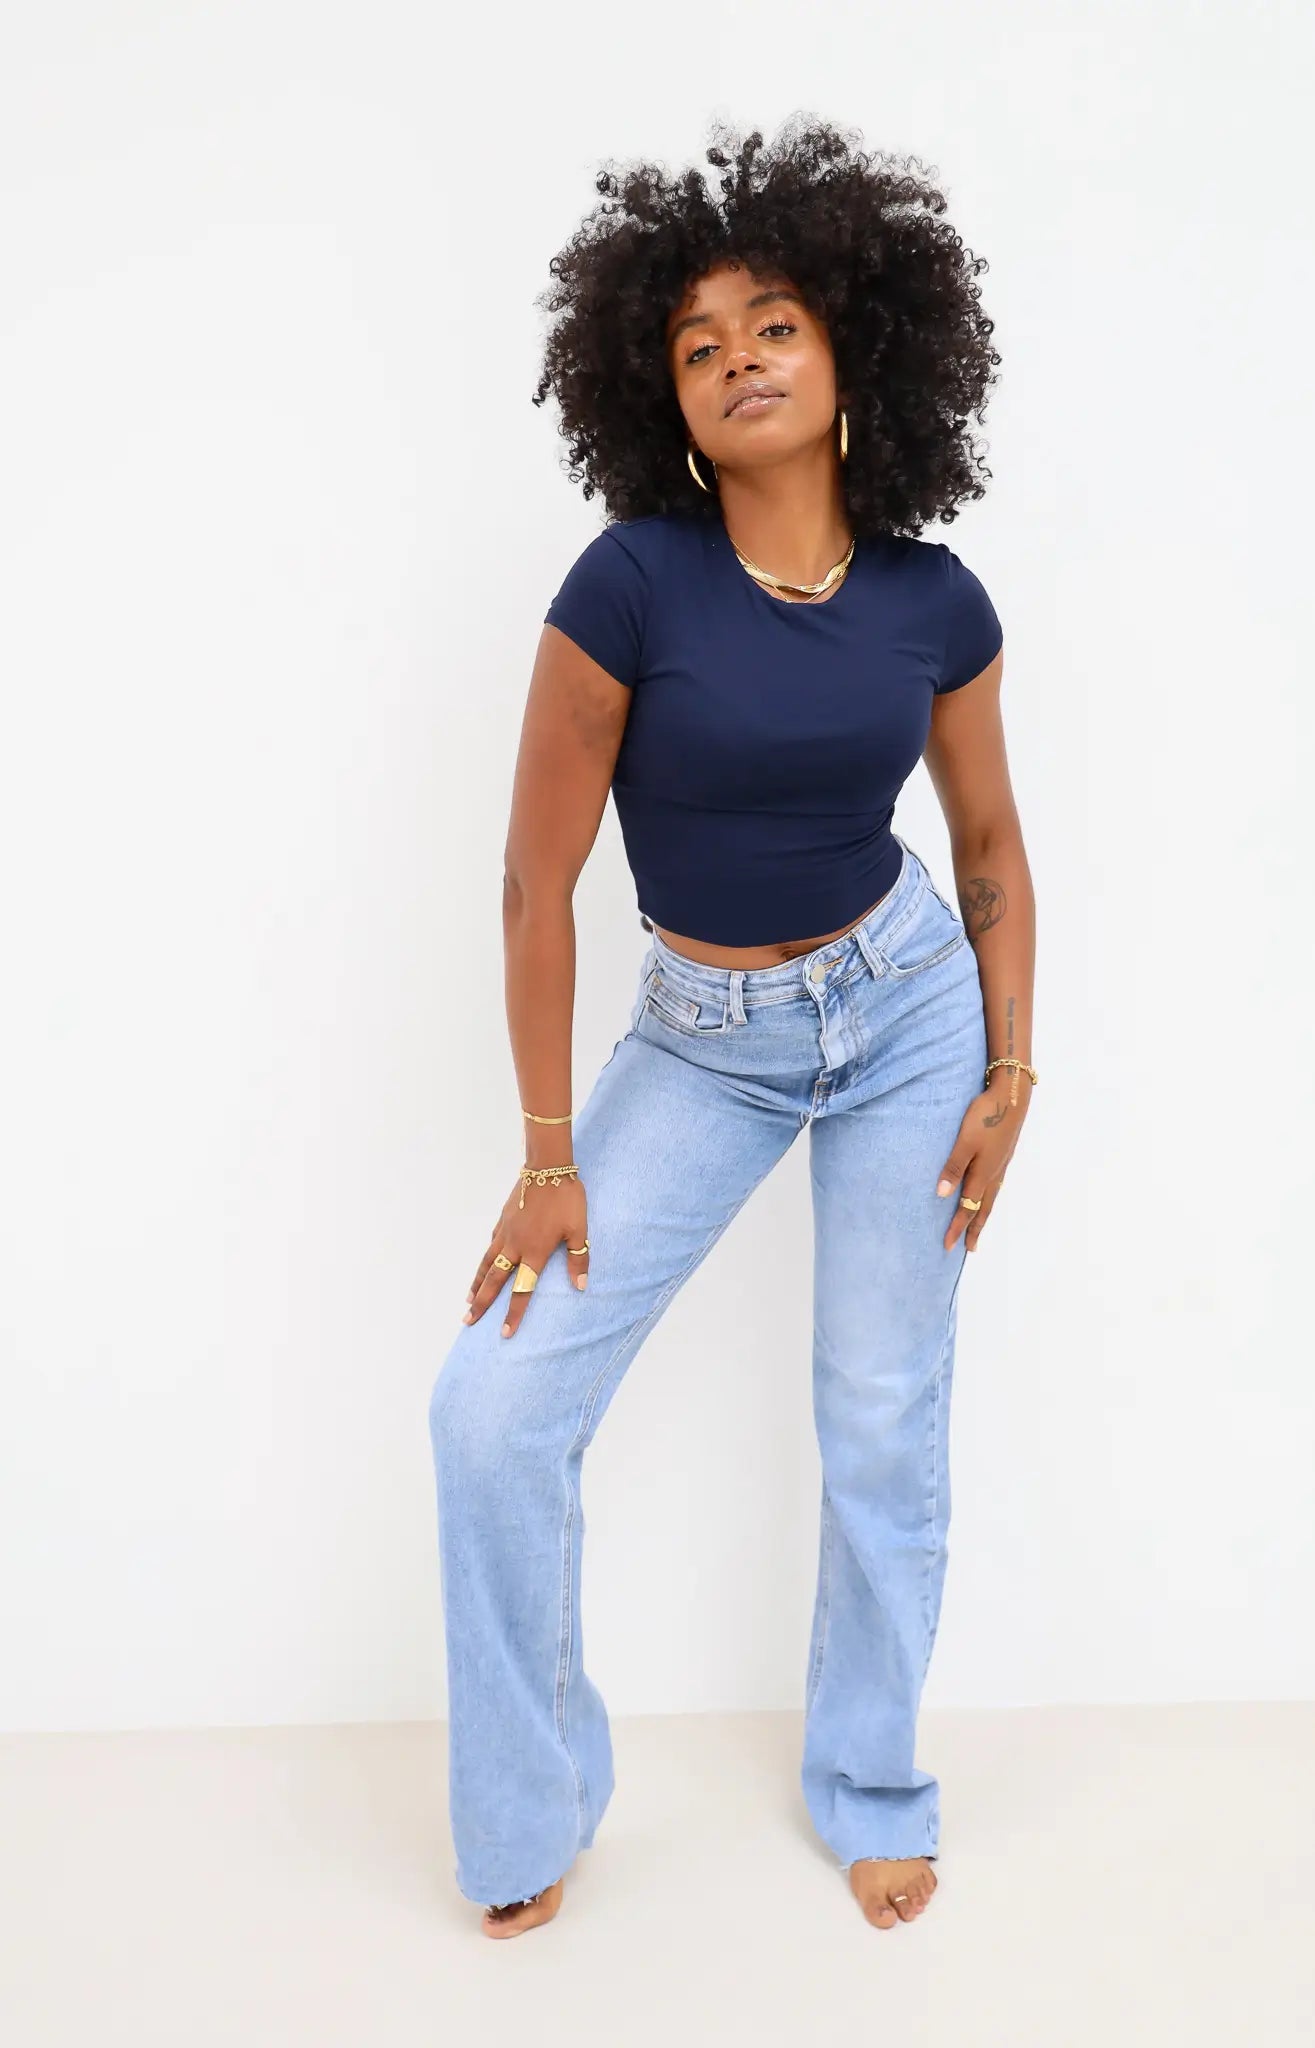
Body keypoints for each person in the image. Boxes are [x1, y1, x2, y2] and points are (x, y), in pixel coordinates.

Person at [428, 115, 1037, 1941]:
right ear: (665, 401)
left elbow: (990, 848)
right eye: (698, 346)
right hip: (700, 1041)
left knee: (880, 1416)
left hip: (908, 1013)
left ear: (856, 351)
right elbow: (535, 881)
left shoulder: (935, 600)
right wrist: (548, 1153)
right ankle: (536, 1804)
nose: (739, 359)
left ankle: (871, 1784)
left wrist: (1012, 1067)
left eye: (774, 324)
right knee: (491, 1409)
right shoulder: (629, 583)